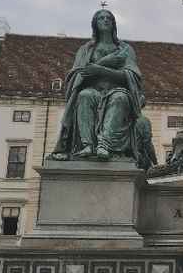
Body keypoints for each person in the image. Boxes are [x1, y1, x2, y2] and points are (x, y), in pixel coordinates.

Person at [51, 9, 143, 161]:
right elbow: (78, 76)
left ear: (114, 24)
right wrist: (105, 63)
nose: (105, 20)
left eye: (109, 18)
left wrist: (100, 70)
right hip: (92, 90)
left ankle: (104, 145)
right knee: (84, 95)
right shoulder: (86, 50)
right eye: (101, 18)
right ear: (95, 24)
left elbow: (130, 77)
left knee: (120, 98)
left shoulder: (125, 50)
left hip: (116, 90)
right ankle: (88, 144)